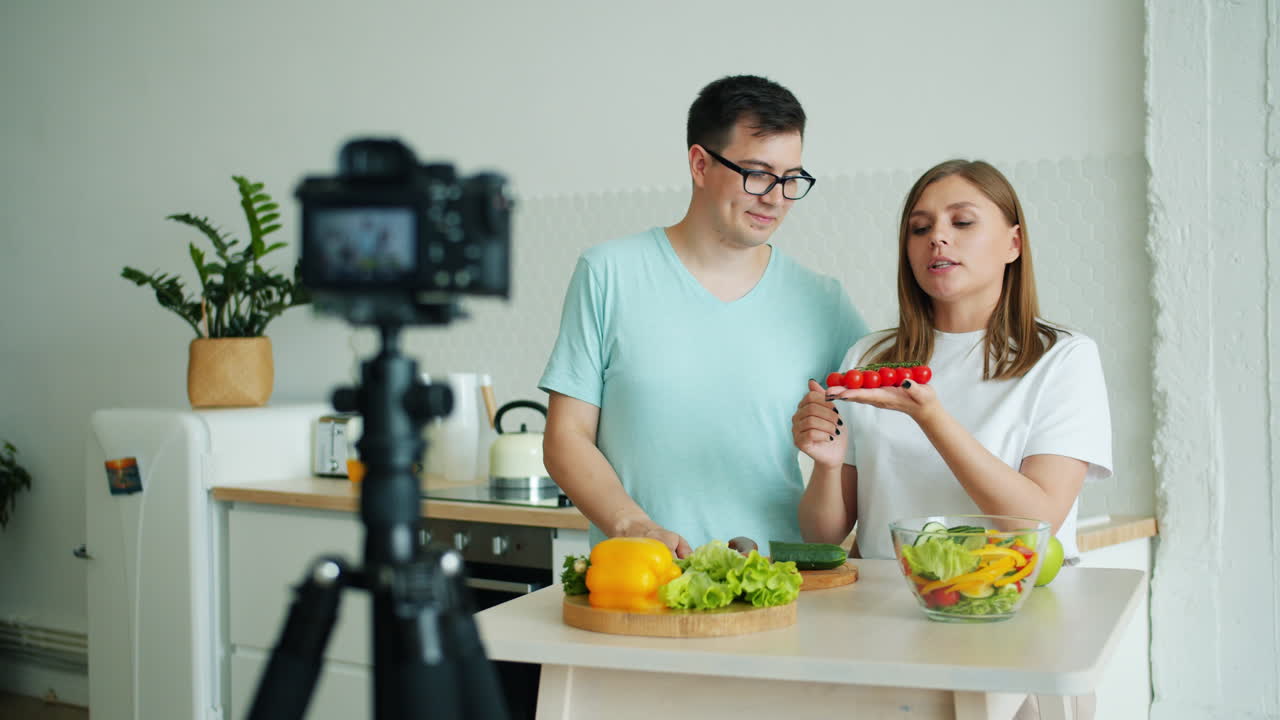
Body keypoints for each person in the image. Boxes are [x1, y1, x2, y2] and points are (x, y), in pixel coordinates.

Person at [540, 75, 868, 557]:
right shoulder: (608, 273)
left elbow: (876, 442)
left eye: (791, 178)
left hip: (778, 588)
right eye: (757, 174)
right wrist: (635, 527)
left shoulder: (825, 302)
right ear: (699, 164)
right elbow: (566, 438)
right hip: (644, 584)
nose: (776, 197)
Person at [793, 159, 1112, 563]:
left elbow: (1037, 524)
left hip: (1006, 605)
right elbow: (822, 534)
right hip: (881, 608)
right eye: (920, 228)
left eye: (962, 222)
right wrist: (827, 465)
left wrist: (931, 418)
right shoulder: (870, 357)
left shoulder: (1063, 358)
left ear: (1014, 244)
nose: (938, 238)